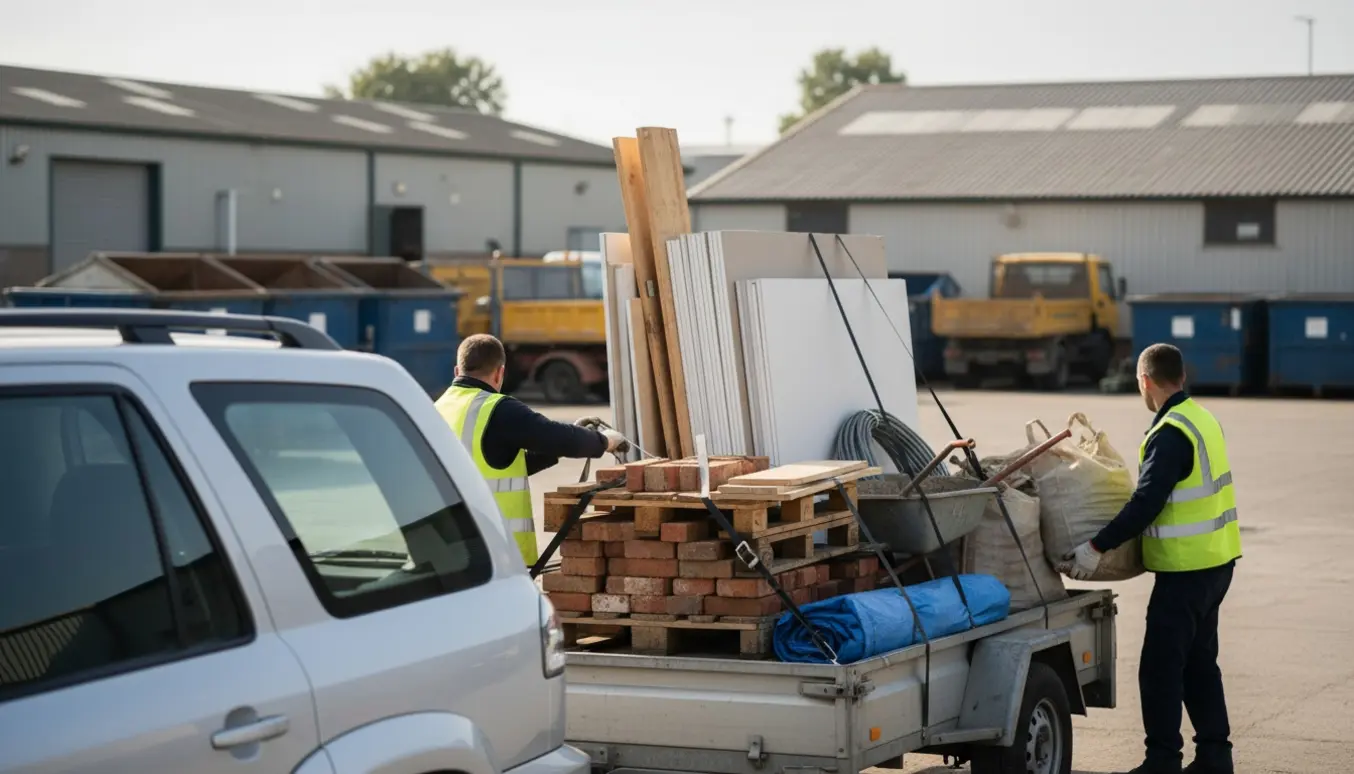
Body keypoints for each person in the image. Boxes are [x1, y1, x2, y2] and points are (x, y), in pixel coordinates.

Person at [1057, 343, 1241, 774]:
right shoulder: (1201, 418)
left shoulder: (1171, 432)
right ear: (1180, 376)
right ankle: (1216, 756)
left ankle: (1162, 760)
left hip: (1187, 572)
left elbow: (1146, 503)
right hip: (1217, 563)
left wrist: (1096, 547)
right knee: (1198, 663)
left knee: (1159, 669)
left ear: (1145, 380)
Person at [435, 334, 626, 565]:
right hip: (495, 554)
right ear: (499, 373)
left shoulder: (434, 409)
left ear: (457, 371)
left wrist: (556, 448)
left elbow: (496, 464)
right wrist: (604, 442)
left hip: (447, 550)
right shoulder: (498, 409)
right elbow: (555, 436)